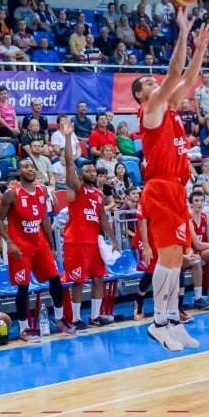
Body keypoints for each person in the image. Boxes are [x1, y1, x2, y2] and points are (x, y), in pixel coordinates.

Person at [132, 9, 209, 352]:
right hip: (161, 187)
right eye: (149, 83)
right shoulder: (150, 112)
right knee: (167, 258)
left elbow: (189, 79)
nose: (156, 83)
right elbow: (175, 73)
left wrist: (199, 51)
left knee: (178, 258)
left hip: (176, 188)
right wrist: (183, 34)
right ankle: (158, 321)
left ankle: (172, 319)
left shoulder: (172, 112)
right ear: (141, 96)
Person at [0, 158, 75, 342]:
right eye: (26, 166)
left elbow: (45, 218)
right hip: (20, 246)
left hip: (39, 244)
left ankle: (59, 318)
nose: (30, 169)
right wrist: (10, 243)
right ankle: (24, 328)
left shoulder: (42, 190)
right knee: (23, 288)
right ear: (19, 172)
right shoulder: (11, 193)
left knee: (55, 278)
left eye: (32, 166)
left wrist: (52, 246)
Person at [58, 119, 120, 330]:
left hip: (93, 242)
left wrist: (114, 241)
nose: (92, 173)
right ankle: (74, 319)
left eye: (94, 171)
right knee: (78, 281)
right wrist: (67, 137)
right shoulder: (76, 189)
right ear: (81, 175)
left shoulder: (98, 194)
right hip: (76, 242)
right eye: (88, 171)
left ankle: (94, 316)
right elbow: (68, 163)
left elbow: (103, 219)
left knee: (98, 279)